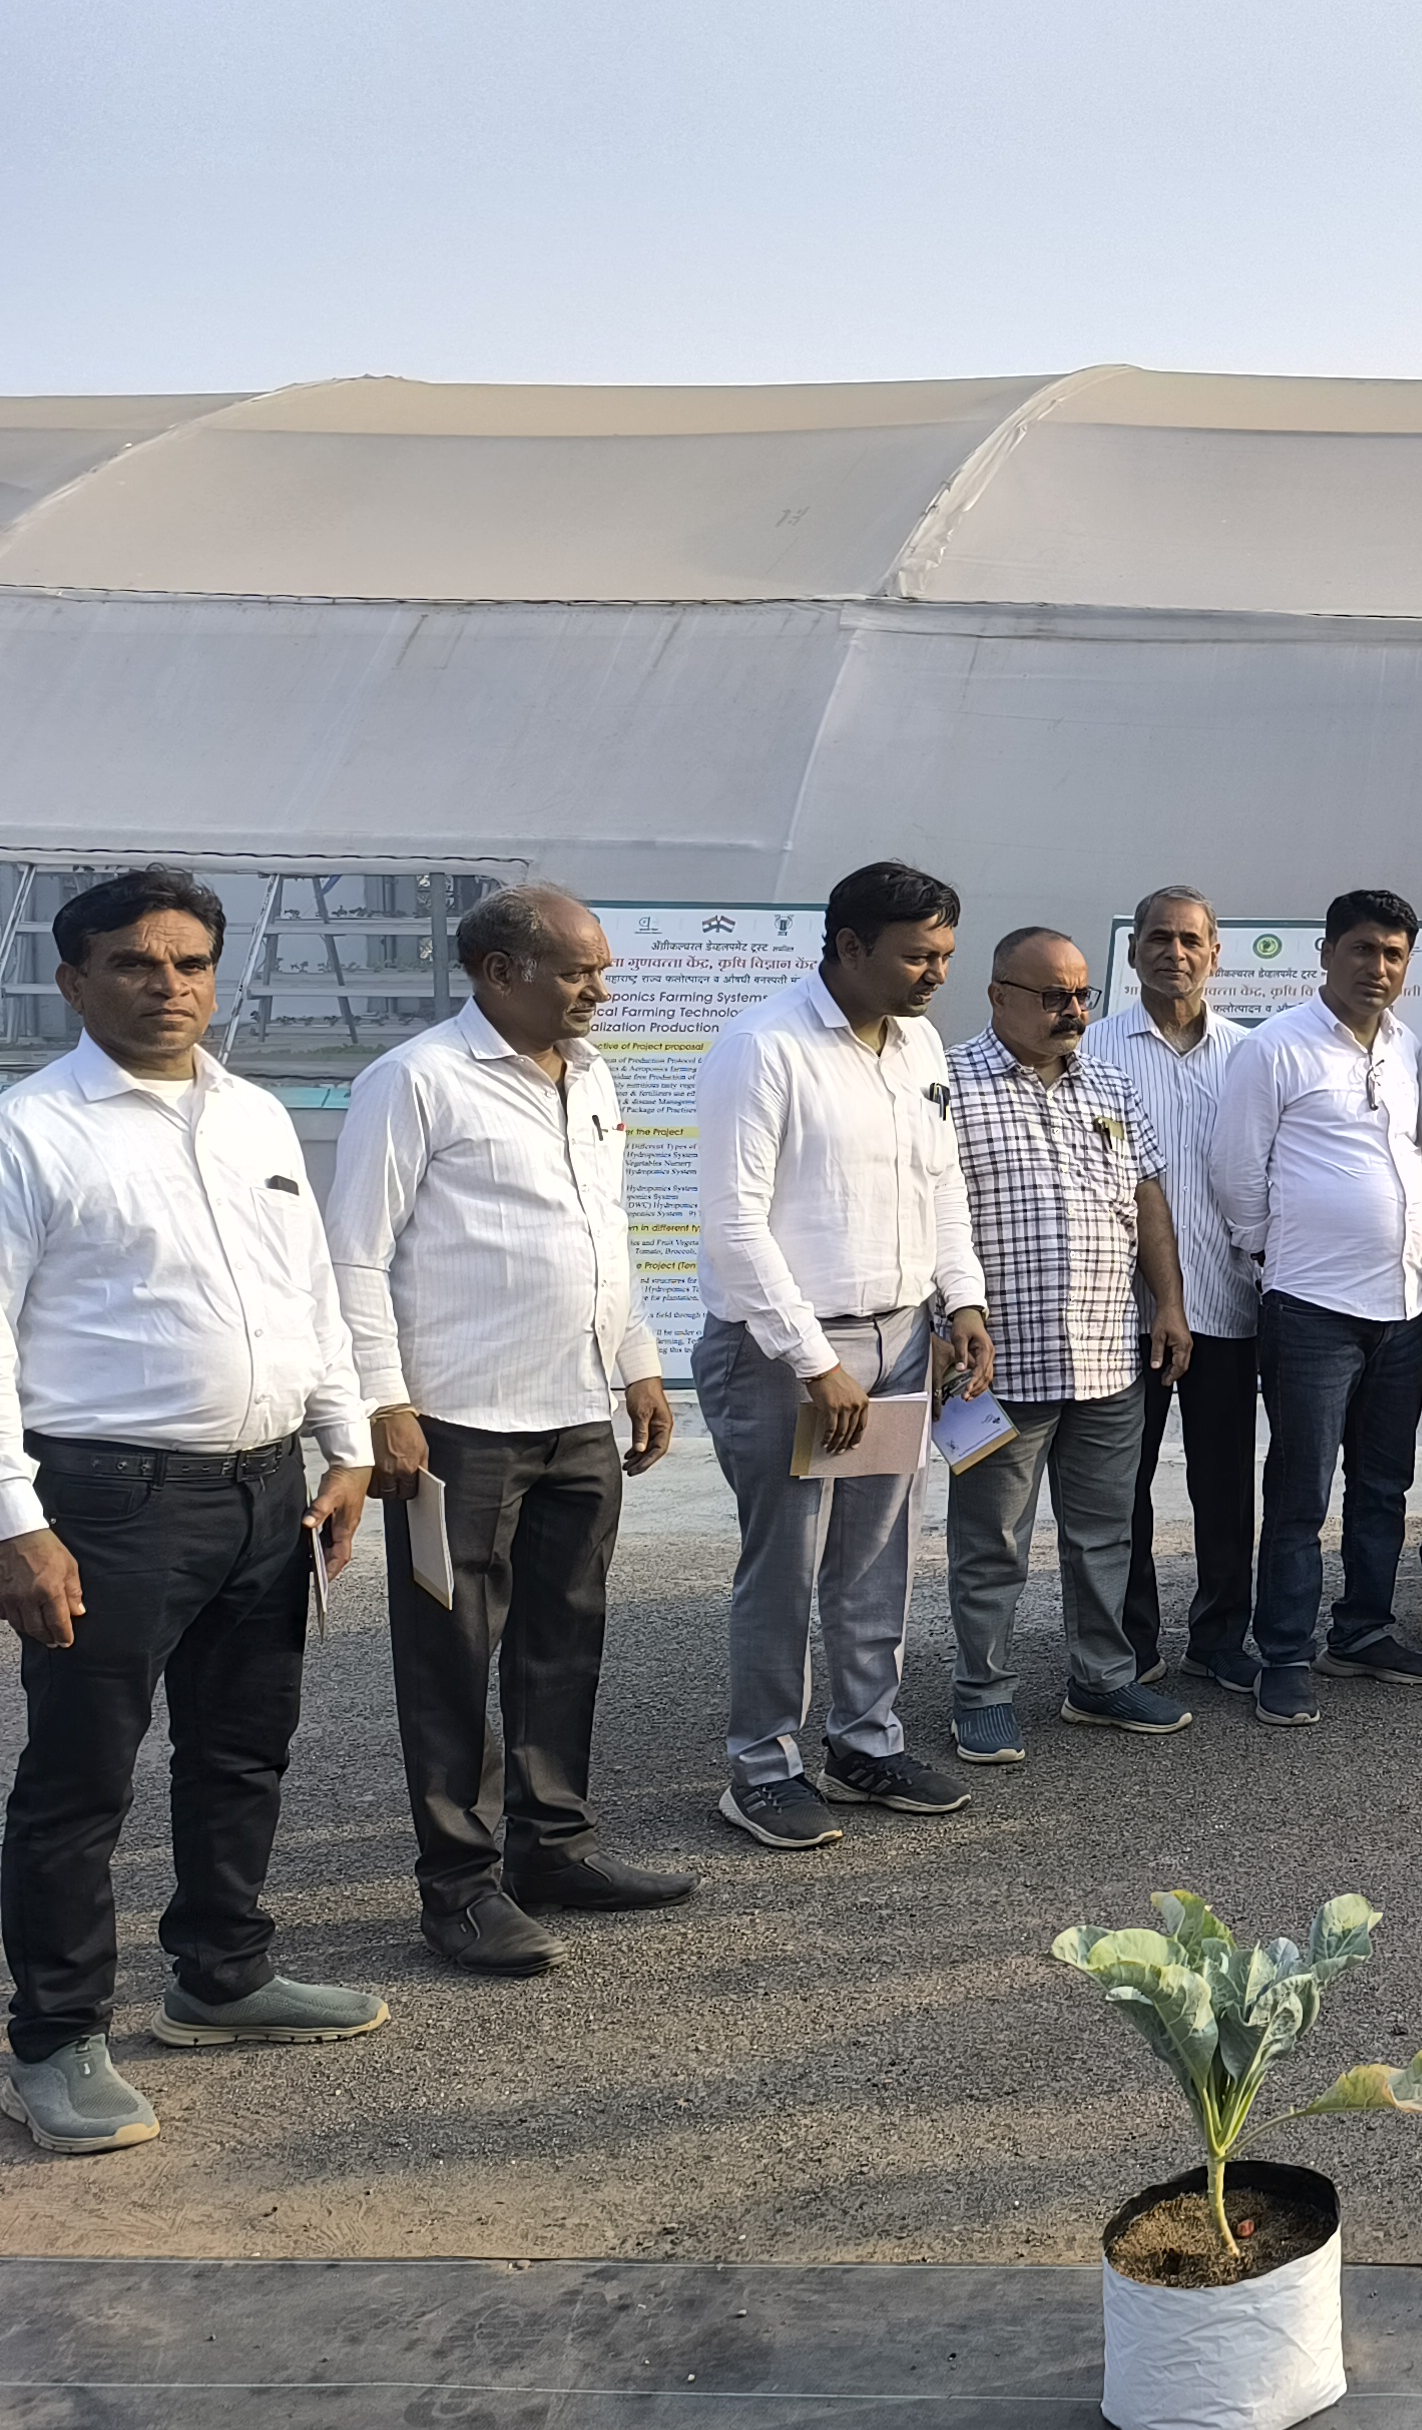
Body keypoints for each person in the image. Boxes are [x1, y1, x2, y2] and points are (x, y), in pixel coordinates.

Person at [1, 870, 385, 2153]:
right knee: (80, 1780)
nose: (168, 986)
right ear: (75, 982)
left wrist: (342, 1443)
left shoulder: (254, 1115)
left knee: (242, 1750)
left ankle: (221, 1976)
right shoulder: (32, 1131)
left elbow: (307, 1292)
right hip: (107, 1502)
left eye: (190, 963)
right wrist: (16, 1524)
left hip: (265, 1490)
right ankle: (55, 2039)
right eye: (134, 964)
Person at [328, 881, 692, 1979]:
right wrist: (384, 1405)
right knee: (451, 1657)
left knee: (564, 1641)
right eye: (578, 970)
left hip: (578, 1410)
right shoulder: (416, 1080)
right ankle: (458, 1888)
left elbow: (604, 1232)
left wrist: (638, 1362)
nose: (600, 990)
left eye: (602, 969)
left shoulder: (591, 1076)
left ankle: (553, 1848)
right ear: (498, 972)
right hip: (459, 1423)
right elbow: (354, 1255)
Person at [693, 860, 995, 1847]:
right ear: (850, 945)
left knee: (877, 1556)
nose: (936, 974)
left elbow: (940, 1186)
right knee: (786, 1562)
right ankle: (761, 1768)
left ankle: (865, 1743)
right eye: (917, 956)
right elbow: (735, 1223)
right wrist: (813, 1360)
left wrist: (963, 1300)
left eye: (945, 954)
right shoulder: (764, 1048)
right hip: (788, 1352)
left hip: (903, 1338)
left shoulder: (918, 1045)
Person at [943, 928, 1200, 1764]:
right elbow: (924, 1216)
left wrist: (1169, 1304)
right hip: (994, 1370)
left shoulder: (1111, 1084)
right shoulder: (946, 1085)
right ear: (998, 995)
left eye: (1082, 996)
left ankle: (1101, 1679)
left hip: (1107, 1358)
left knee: (1103, 1537)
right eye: (1053, 996)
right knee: (992, 1543)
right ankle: (981, 1694)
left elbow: (1147, 1202)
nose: (1073, 1012)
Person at [1215, 888, 1422, 1711]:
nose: (1378, 967)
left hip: (1402, 1308)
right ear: (1327, 954)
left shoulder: (1409, 1049)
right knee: (1301, 1492)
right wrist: (1274, 1252)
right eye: (1363, 949)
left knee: (1382, 1486)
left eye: (1393, 954)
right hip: (1311, 1307)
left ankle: (1364, 1632)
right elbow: (1237, 1171)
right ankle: (1284, 1654)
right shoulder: (1275, 1047)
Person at [1084, 886, 1259, 1691]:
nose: (1175, 953)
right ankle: (1132, 1641)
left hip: (1227, 1302)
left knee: (1224, 1484)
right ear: (1133, 951)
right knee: (1123, 1486)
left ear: (1215, 954)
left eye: (1191, 940)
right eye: (1159, 938)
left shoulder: (1250, 1055)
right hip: (1123, 1312)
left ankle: (1220, 1638)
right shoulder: (1094, 1051)